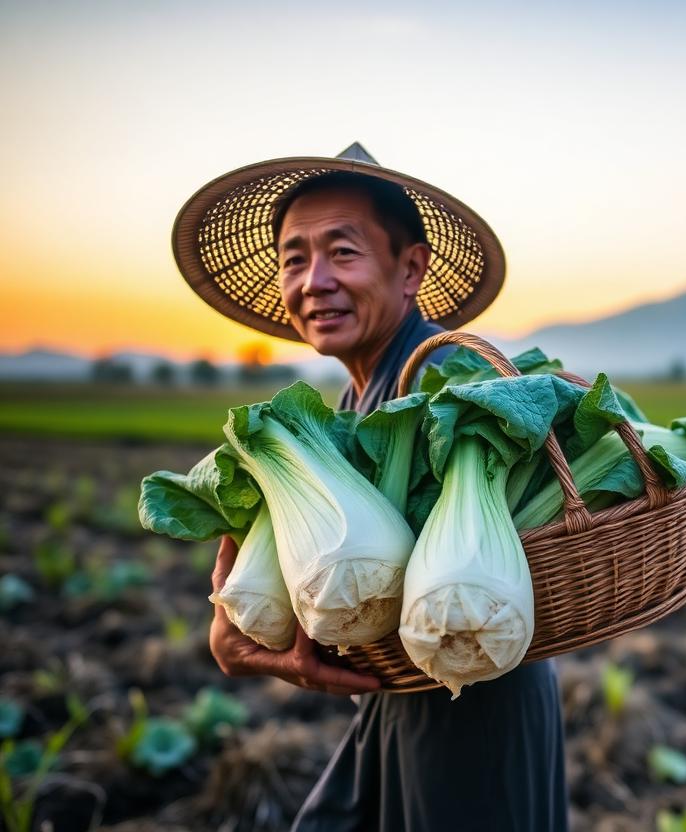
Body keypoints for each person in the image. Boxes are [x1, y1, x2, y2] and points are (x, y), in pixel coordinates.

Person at [173, 144, 568, 831]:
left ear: (409, 267)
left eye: (343, 252)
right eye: (294, 259)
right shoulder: (350, 407)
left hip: (474, 701)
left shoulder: (450, 378)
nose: (314, 280)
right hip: (398, 700)